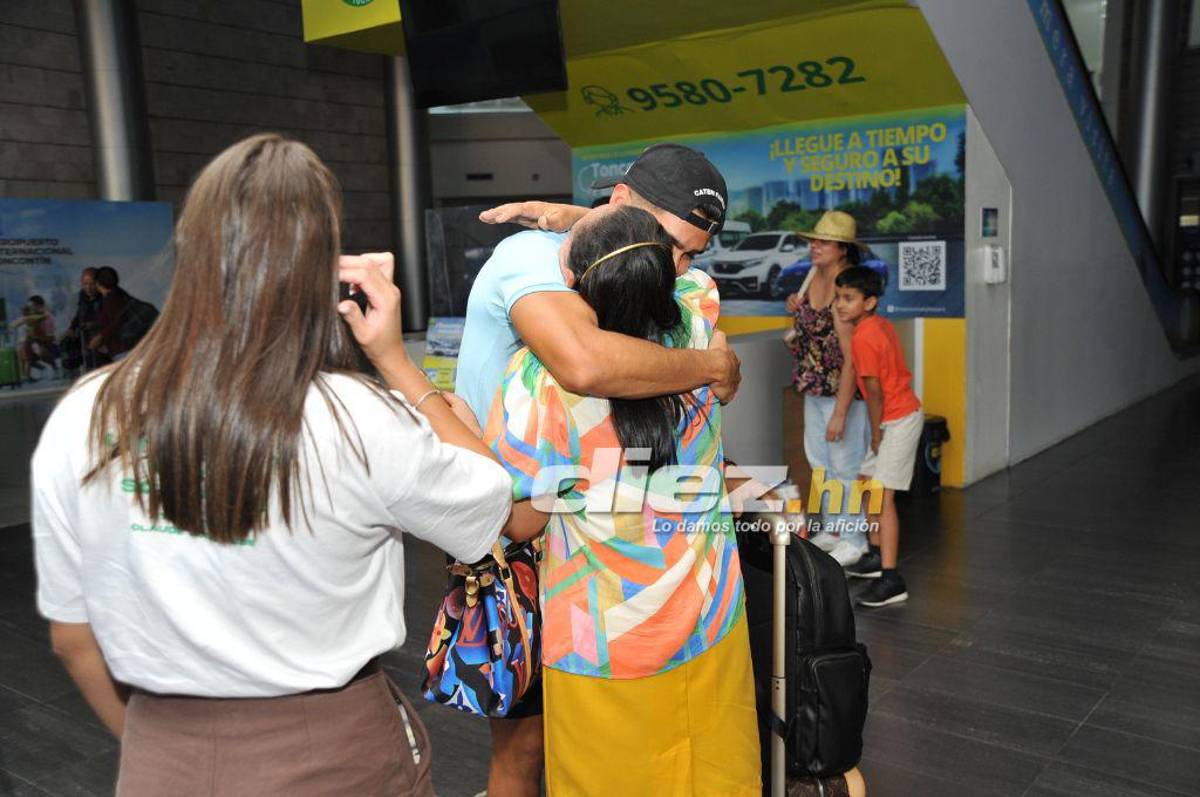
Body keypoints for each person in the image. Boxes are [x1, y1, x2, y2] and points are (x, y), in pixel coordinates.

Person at [31, 133, 534, 796]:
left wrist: (165, 749)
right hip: (335, 750)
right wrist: (393, 359)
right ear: (321, 268)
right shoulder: (360, 418)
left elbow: (73, 638)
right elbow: (493, 501)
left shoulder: (85, 412)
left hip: (163, 752)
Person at [458, 143, 741, 796]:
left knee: (574, 735)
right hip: (509, 527)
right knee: (524, 741)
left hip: (568, 525)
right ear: (619, 205)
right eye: (667, 244)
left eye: (691, 255)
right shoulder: (528, 259)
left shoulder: (672, 289)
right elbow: (585, 362)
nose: (675, 270)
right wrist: (711, 365)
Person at [784, 211, 872, 567]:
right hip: (813, 387)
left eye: (822, 242)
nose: (814, 247)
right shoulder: (811, 278)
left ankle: (856, 539)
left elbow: (853, 358)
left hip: (842, 394)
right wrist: (795, 308)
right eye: (813, 241)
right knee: (821, 463)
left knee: (846, 467)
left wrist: (841, 411)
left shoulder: (843, 290)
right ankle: (835, 529)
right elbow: (810, 339)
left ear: (843, 249)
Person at [834, 266, 923, 606]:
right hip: (890, 417)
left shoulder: (865, 336)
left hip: (896, 420)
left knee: (882, 498)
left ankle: (891, 578)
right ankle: (873, 555)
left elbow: (873, 392)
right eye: (839, 297)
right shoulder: (875, 326)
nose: (840, 305)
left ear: (869, 302)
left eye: (849, 298)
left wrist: (875, 435)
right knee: (866, 482)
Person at [63, 267, 105, 371]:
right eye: (85, 284)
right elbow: (79, 315)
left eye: (92, 284)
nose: (89, 287)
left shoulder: (106, 297)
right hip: (86, 338)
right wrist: (72, 328)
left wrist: (94, 324)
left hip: (102, 339)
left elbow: (111, 318)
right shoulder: (83, 297)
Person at [89, 266, 131, 361]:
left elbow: (118, 323)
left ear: (98, 283)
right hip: (122, 350)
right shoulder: (119, 295)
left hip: (122, 351)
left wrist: (100, 337)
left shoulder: (112, 300)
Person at [12, 295, 57, 379]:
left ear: (38, 306)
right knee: (23, 350)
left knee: (37, 350)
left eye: (32, 306)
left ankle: (55, 369)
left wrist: (36, 338)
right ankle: (27, 375)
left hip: (46, 344)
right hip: (34, 344)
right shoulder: (33, 316)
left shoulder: (47, 318)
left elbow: (49, 337)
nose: (30, 308)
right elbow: (15, 324)